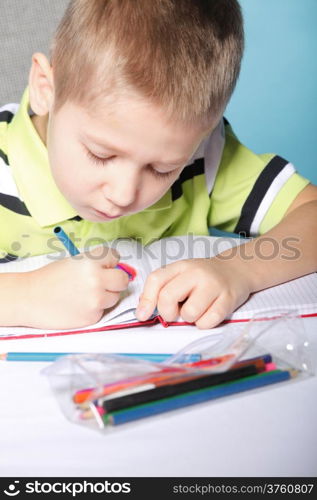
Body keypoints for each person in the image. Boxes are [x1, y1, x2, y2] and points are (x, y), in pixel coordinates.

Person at [0, 0, 316, 330]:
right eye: (102, 155)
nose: (123, 194)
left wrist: (239, 269)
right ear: (44, 89)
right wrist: (24, 295)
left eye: (162, 169)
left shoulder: (205, 153)